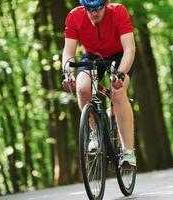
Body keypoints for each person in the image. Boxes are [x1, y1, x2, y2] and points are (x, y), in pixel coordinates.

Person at [61, 0, 136, 168]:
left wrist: (120, 75)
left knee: (118, 92)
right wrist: (68, 74)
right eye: (90, 8)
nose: (94, 12)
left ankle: (128, 152)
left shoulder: (118, 12)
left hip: (119, 55)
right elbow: (68, 51)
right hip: (93, 56)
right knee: (82, 88)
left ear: (106, 3)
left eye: (98, 7)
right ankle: (95, 134)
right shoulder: (75, 16)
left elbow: (130, 49)